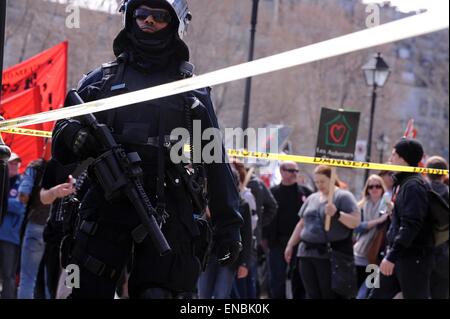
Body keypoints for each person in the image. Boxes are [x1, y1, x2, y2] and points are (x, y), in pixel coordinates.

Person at [51, 0, 242, 299]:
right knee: (85, 289)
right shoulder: (100, 80)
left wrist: (229, 225)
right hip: (106, 199)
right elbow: (59, 141)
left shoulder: (191, 91)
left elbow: (215, 160)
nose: (148, 21)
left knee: (160, 292)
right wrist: (74, 136)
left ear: (175, 24)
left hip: (167, 203)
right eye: (142, 14)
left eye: (159, 16)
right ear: (130, 17)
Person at [369, 138, 434, 299]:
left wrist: (391, 256)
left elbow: (411, 225)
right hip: (400, 256)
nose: (390, 160)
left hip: (412, 259)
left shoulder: (413, 186)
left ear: (403, 159)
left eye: (393, 156)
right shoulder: (405, 183)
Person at [284, 165, 360, 299]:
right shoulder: (312, 198)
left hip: (329, 256)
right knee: (311, 294)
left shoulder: (343, 196)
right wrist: (290, 245)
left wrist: (337, 214)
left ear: (331, 179)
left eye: (322, 181)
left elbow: (355, 221)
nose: (319, 185)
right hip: (306, 253)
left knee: (328, 294)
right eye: (316, 182)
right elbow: (302, 224)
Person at [265, 161, 312, 299]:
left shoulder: (305, 193)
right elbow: (266, 216)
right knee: (276, 279)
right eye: (291, 171)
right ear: (282, 171)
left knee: (298, 279)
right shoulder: (272, 192)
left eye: (296, 171)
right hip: (277, 242)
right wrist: (266, 238)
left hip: (300, 242)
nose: (294, 174)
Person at [16, 156, 52, 299]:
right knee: (52, 281)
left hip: (35, 225)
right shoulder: (72, 167)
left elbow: (23, 195)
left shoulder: (35, 166)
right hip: (57, 231)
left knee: (28, 279)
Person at [353, 174, 391, 299]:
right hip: (359, 254)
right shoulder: (361, 206)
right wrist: (377, 221)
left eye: (378, 186)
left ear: (382, 188)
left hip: (376, 256)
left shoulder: (387, 206)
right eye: (371, 186)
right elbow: (356, 226)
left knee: (368, 292)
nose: (374, 189)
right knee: (356, 289)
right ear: (367, 189)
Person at [0, 152, 26, 299]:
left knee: (8, 275)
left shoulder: (21, 183)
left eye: (16, 163)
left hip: (10, 237)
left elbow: (20, 206)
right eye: (11, 163)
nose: (14, 166)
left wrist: (3, 202)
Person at [425, 156, 449, 299]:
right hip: (445, 255)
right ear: (445, 173)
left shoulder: (419, 192)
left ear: (426, 172)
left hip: (420, 254)